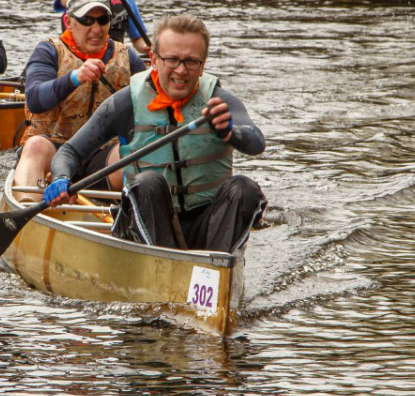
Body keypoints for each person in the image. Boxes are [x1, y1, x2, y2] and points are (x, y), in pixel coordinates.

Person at [43, 14, 266, 255]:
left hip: (209, 228)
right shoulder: (125, 103)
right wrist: (60, 178)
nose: (181, 70)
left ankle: (214, 268)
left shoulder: (219, 101)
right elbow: (70, 152)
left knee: (245, 188)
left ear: (202, 66)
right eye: (172, 60)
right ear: (153, 59)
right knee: (148, 182)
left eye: (191, 62)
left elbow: (256, 142)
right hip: (146, 226)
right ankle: (162, 266)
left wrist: (230, 132)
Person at [14, 0, 146, 188]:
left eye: (103, 20)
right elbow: (34, 100)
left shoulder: (127, 57)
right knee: (35, 145)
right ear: (69, 22)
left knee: (134, 152)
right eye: (87, 20)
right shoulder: (48, 51)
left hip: (102, 156)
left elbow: (151, 104)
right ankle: (28, 204)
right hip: (52, 150)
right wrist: (74, 78)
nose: (96, 29)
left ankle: (132, 209)